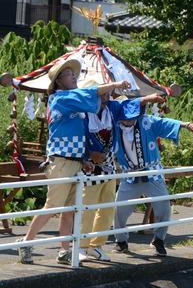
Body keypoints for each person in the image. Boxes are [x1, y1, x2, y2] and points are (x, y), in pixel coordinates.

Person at [17, 59, 130, 265]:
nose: (74, 76)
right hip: (61, 160)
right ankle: (26, 242)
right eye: (69, 74)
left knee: (70, 208)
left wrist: (84, 158)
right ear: (58, 81)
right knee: (52, 205)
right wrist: (114, 85)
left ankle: (64, 250)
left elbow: (82, 124)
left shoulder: (71, 101)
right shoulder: (60, 98)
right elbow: (89, 95)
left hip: (74, 160)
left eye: (73, 74)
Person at [78, 78, 166, 263]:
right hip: (89, 167)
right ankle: (81, 246)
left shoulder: (111, 108)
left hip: (109, 165)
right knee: (87, 208)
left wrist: (147, 98)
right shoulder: (81, 115)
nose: (105, 96)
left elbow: (128, 106)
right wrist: (88, 154)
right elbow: (76, 139)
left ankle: (97, 245)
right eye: (102, 93)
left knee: (107, 208)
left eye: (106, 93)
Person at [112, 99, 193, 256]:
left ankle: (159, 240)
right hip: (129, 174)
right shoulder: (115, 127)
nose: (129, 119)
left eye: (132, 115)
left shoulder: (147, 122)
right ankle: (121, 241)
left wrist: (187, 125)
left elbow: (165, 122)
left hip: (152, 172)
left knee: (164, 208)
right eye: (126, 115)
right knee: (119, 209)